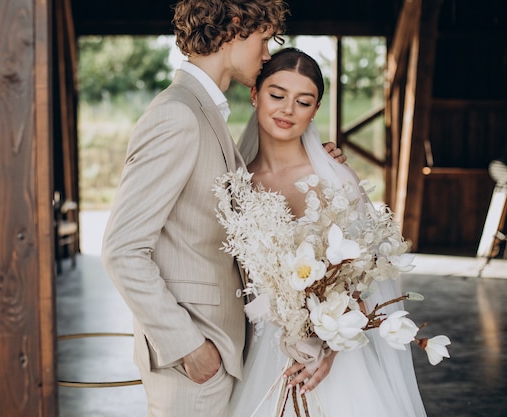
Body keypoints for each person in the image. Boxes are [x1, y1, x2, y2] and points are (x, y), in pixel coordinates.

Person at [101, 1, 344, 415]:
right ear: (234, 26)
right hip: (194, 359)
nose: (267, 53)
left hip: (226, 351)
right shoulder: (177, 114)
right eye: (265, 38)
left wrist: (311, 164)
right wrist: (189, 347)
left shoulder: (204, 111)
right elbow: (122, 249)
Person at [228, 47, 428, 417]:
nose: (287, 109)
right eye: (276, 95)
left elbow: (371, 274)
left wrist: (332, 342)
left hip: (337, 359)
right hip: (264, 352)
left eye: (303, 101)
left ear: (315, 110)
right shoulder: (237, 184)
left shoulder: (335, 178)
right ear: (255, 95)